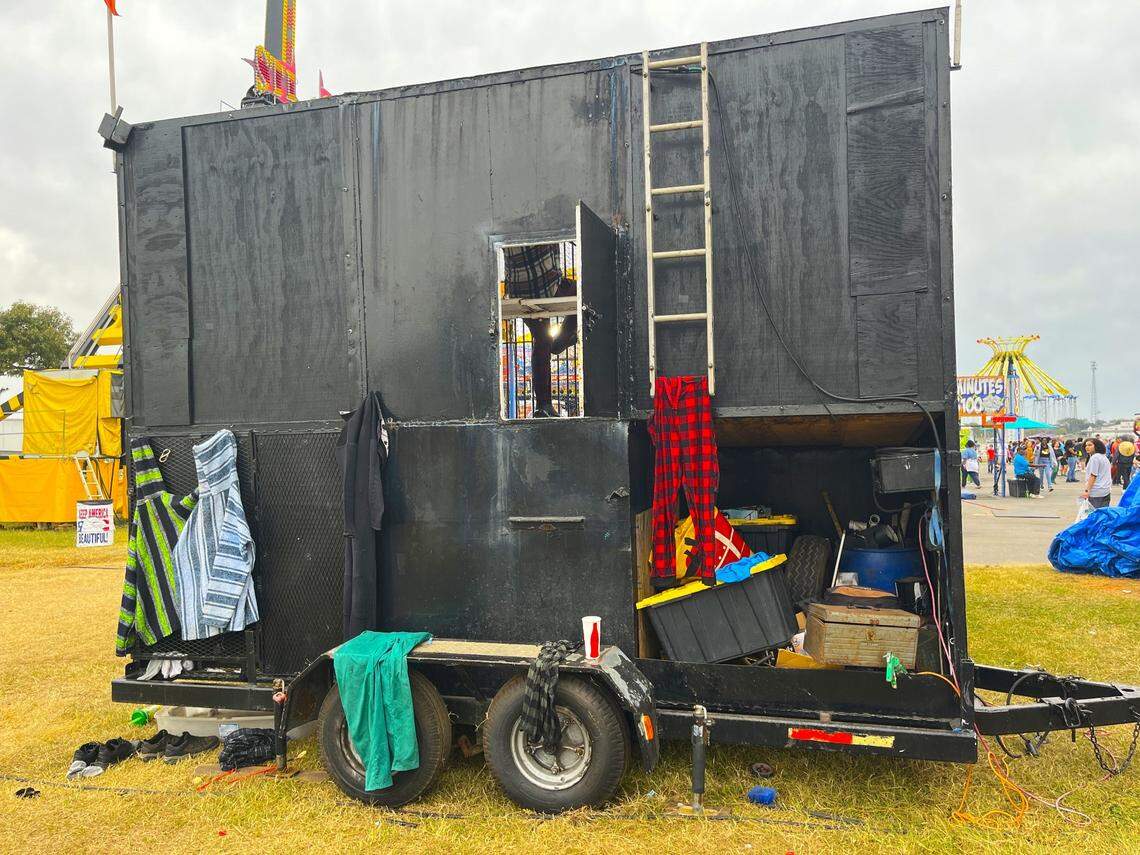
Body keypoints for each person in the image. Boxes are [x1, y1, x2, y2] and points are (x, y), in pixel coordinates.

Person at [502, 243, 578, 418]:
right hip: (547, 286)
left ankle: (543, 405)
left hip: (517, 291)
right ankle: (560, 342)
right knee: (585, 292)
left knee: (542, 340)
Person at [1081, 437, 1112, 509]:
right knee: (1103, 514)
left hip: (1096, 492)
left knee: (1094, 514)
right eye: (1086, 445)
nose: (1087, 447)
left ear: (1096, 446)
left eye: (1090, 445)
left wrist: (1087, 491)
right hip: (1106, 490)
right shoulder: (1104, 457)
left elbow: (1093, 475)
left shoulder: (1095, 458)